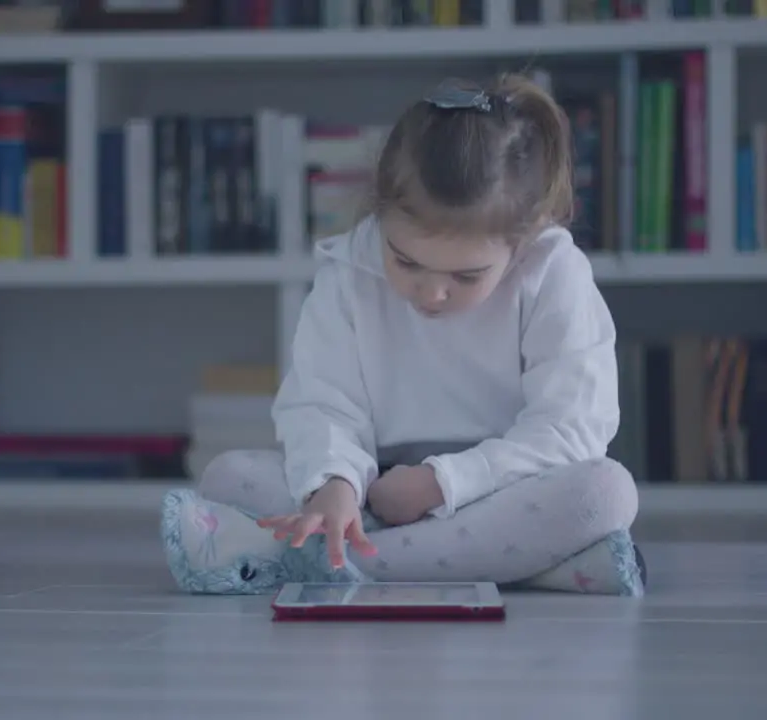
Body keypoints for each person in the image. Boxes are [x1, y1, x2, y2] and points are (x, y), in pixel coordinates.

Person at [160, 74, 644, 597]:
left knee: (604, 492)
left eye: (466, 276)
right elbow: (323, 404)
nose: (431, 293)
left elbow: (572, 427)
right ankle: (534, 566)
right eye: (406, 260)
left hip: (500, 487)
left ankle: (326, 560)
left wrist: (442, 483)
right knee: (227, 476)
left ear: (521, 243)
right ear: (379, 213)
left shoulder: (554, 271)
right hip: (374, 491)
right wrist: (335, 485)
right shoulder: (348, 268)